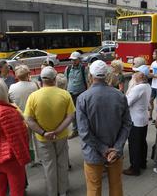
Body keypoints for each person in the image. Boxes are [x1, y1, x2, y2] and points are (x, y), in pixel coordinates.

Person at [77, 60, 132, 196]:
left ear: (90, 76)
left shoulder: (83, 98)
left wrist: (103, 149)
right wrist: (117, 148)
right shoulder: (119, 95)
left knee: (94, 189)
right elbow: (127, 124)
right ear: (107, 76)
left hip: (93, 153)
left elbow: (84, 132)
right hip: (115, 152)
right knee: (116, 186)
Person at [24, 66, 75, 196]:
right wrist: (58, 130)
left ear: (41, 79)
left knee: (49, 165)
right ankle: (62, 191)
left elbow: (29, 119)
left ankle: (52, 192)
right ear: (54, 79)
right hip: (61, 135)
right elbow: (70, 116)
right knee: (62, 163)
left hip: (43, 138)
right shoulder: (65, 94)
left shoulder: (33, 96)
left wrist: (43, 133)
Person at [123, 65, 151, 176]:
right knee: (142, 142)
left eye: (136, 72)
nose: (133, 74)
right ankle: (142, 163)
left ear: (142, 75)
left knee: (134, 144)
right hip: (143, 118)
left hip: (135, 120)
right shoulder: (147, 85)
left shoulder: (138, 88)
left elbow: (126, 103)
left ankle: (134, 168)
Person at [9, 65, 40, 165]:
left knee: (27, 141)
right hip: (34, 117)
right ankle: (40, 158)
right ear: (28, 74)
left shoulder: (12, 87)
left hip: (21, 118)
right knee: (38, 139)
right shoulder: (34, 85)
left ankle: (30, 160)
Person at [65, 51, 88, 139]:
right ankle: (75, 130)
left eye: (75, 60)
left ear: (79, 60)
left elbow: (87, 81)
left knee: (82, 112)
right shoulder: (68, 68)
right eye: (72, 60)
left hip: (81, 94)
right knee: (72, 113)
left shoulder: (83, 68)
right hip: (70, 94)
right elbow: (66, 80)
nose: (73, 61)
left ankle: (83, 129)